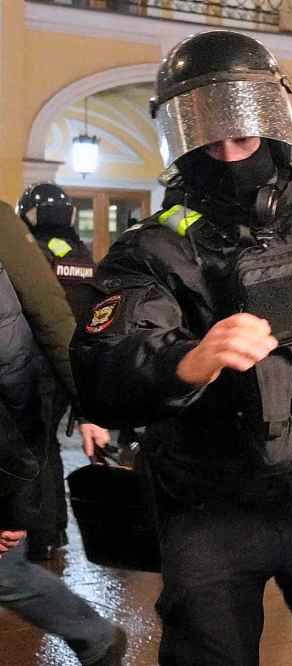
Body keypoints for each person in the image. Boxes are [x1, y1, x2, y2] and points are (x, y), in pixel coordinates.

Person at [70, 31, 292, 665]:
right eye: (207, 142)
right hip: (208, 508)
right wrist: (187, 360)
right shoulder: (151, 248)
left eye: (242, 137)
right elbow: (104, 363)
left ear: (272, 129)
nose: (228, 155)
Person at [1, 259, 127, 666]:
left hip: (27, 414)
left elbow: (16, 374)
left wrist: (8, 504)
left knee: (7, 571)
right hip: (33, 405)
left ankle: (95, 636)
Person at [15, 183, 104, 561]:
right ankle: (53, 531)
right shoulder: (81, 255)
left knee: (32, 449)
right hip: (73, 367)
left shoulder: (31, 255)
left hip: (36, 365)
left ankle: (37, 534)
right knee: (47, 445)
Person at [0, 202, 110, 459]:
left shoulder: (29, 243)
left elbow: (52, 316)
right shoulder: (81, 252)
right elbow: (55, 318)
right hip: (49, 371)